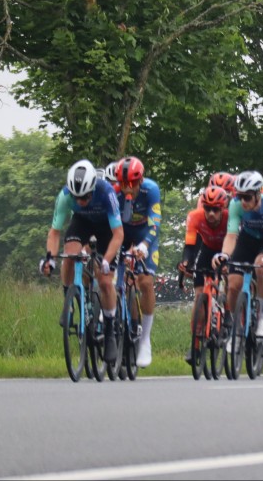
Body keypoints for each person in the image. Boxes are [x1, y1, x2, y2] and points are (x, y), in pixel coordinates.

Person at [41, 160, 124, 363]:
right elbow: (55, 232)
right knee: (69, 255)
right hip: (82, 223)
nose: (81, 201)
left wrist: (107, 260)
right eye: (77, 197)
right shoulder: (65, 196)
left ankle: (110, 330)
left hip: (107, 228)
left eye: (85, 197)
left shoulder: (106, 193)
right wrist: (49, 258)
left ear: (92, 189)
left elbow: (118, 234)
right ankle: (68, 302)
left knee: (105, 281)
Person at [212, 171, 263, 349]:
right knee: (233, 283)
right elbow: (231, 236)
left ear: (258, 194)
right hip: (248, 239)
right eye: (240, 196)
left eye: (247, 197)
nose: (243, 201)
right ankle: (236, 327)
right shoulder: (235, 205)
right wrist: (224, 255)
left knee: (261, 266)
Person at [114, 156, 162, 368]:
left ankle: (145, 340)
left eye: (132, 184)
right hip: (122, 235)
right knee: (117, 281)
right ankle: (122, 322)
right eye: (123, 184)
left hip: (144, 234)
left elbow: (155, 223)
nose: (128, 188)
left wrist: (144, 245)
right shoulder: (114, 192)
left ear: (140, 180)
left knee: (145, 281)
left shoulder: (151, 190)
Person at [178, 186, 229, 363]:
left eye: (215, 209)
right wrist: (186, 263)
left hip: (226, 249)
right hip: (207, 250)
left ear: (223, 209)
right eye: (207, 208)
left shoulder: (230, 218)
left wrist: (227, 264)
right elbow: (190, 246)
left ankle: (228, 317)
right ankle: (195, 346)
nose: (211, 213)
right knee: (199, 295)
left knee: (232, 280)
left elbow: (237, 243)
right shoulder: (195, 216)